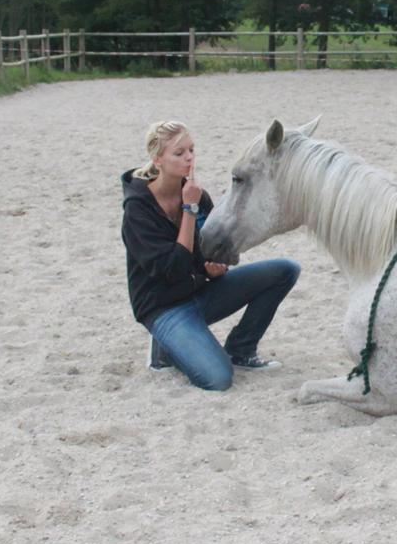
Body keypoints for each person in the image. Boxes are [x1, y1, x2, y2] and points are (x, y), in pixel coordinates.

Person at [120, 121, 300, 391]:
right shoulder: (138, 210)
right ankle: (164, 347)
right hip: (163, 308)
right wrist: (189, 209)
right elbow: (171, 269)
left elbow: (208, 251)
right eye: (179, 153)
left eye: (191, 149)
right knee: (218, 379)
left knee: (285, 270)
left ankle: (241, 349)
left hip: (199, 293)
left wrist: (213, 268)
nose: (190, 158)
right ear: (157, 159)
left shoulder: (198, 196)